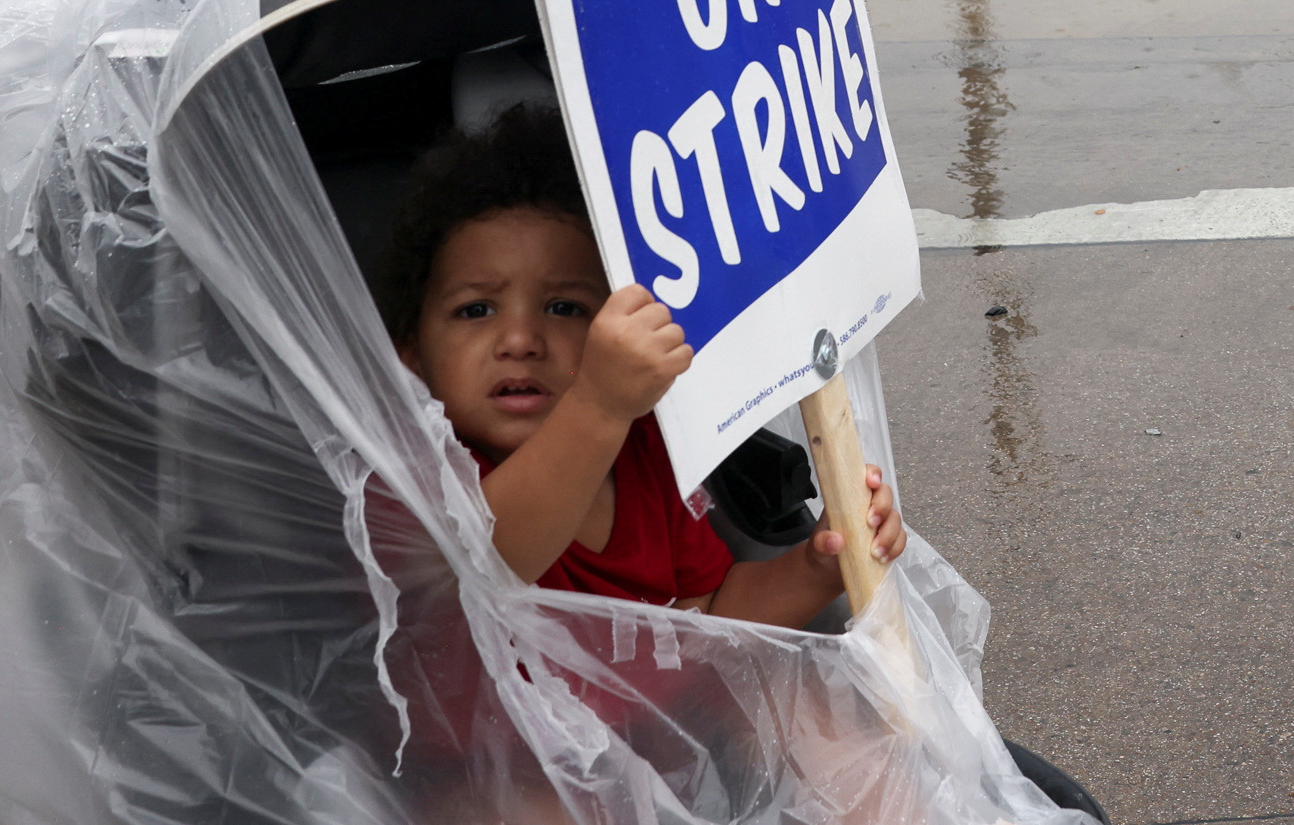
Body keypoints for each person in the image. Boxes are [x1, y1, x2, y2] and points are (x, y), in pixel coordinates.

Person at [375, 105, 904, 623]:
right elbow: (486, 563)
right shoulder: (415, 477)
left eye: (565, 308)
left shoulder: (646, 452)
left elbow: (709, 617)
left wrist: (821, 567)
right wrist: (599, 404)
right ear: (410, 353)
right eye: (476, 310)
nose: (520, 340)